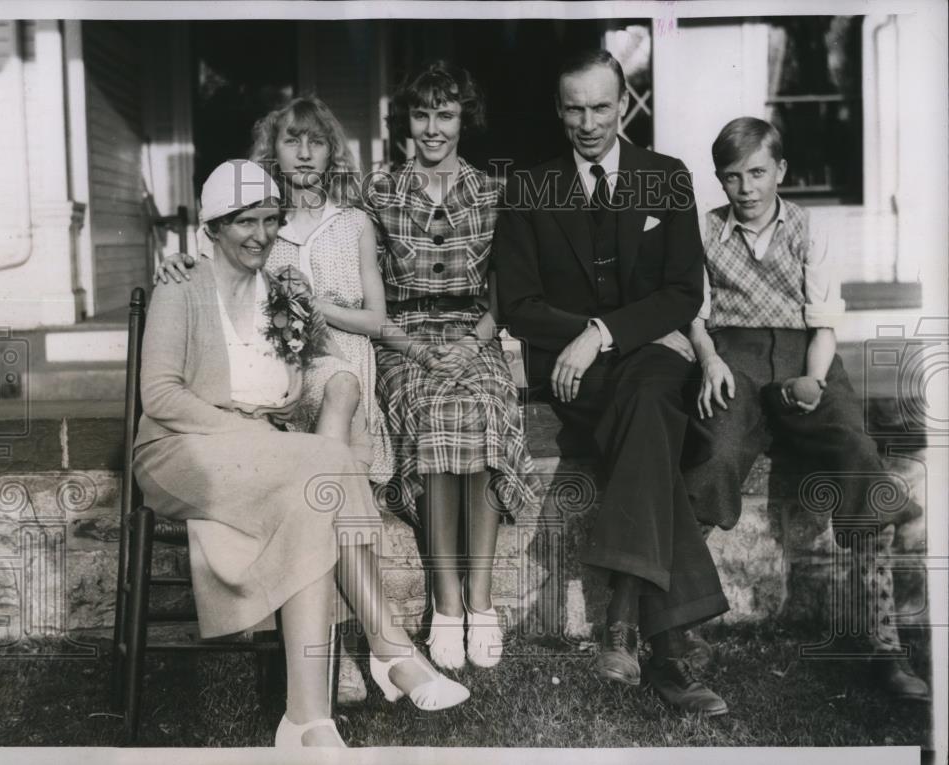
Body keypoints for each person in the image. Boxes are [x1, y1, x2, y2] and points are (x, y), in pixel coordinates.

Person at [134, 160, 469, 750]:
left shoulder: (280, 291)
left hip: (265, 454)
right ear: (213, 226)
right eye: (244, 222)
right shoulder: (181, 285)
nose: (261, 235)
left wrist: (312, 398)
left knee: (318, 487)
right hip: (182, 449)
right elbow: (159, 395)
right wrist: (250, 435)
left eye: (269, 219)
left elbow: (301, 375)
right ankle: (389, 652)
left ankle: (309, 720)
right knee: (324, 466)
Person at [493, 49, 729, 715]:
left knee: (651, 396)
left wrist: (606, 331)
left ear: (625, 105)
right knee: (650, 409)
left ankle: (628, 620)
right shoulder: (531, 188)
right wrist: (593, 334)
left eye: (602, 106)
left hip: (643, 358)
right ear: (558, 110)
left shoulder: (666, 178)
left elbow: (683, 289)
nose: (588, 122)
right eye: (574, 108)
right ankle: (668, 648)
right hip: (575, 375)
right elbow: (518, 303)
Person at [683, 116, 930, 701]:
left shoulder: (807, 228)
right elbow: (692, 313)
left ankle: (883, 644)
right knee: (711, 455)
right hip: (734, 358)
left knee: (855, 451)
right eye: (732, 177)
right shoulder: (705, 231)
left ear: (781, 172)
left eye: (758, 174)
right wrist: (710, 359)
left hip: (806, 356)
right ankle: (679, 633)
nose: (746, 189)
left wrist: (814, 383)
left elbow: (822, 323)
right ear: (720, 181)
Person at [364, 61, 541, 670]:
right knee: (436, 408)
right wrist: (411, 346)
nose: (433, 128)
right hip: (402, 334)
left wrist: (476, 340)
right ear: (407, 120)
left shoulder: (493, 192)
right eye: (422, 114)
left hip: (475, 331)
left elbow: (506, 285)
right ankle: (446, 605)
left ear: (465, 119)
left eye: (445, 114)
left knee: (482, 404)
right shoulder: (378, 191)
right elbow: (358, 281)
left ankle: (482, 602)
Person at [155, 96, 394, 485]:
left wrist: (308, 303)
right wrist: (176, 261)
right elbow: (211, 267)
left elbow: (376, 320)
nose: (303, 154)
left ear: (331, 152)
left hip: (345, 362)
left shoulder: (354, 224)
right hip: (275, 361)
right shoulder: (260, 225)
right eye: (291, 141)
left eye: (315, 142)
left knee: (340, 392)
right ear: (272, 151)